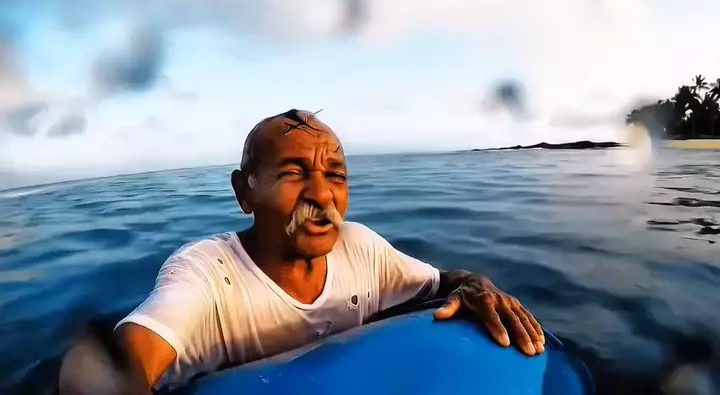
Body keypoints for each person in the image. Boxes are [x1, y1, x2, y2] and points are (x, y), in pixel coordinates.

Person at [58, 109, 546, 395]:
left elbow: (445, 282)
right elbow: (116, 360)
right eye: (293, 174)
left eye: (335, 175)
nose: (321, 195)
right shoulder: (207, 273)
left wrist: (475, 284)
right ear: (245, 193)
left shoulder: (361, 248)